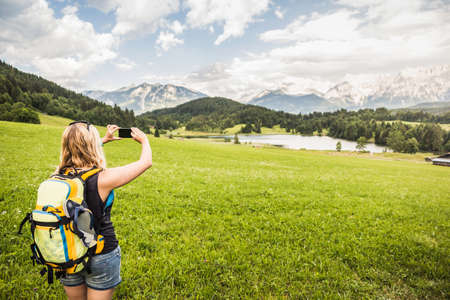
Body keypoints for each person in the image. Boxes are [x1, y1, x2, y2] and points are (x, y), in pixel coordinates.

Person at [58, 121, 152, 300]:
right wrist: (144, 140)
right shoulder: (103, 178)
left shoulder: (58, 174)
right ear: (92, 144)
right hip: (101, 253)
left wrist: (104, 140)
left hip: (67, 251)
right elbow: (146, 162)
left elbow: (78, 150)